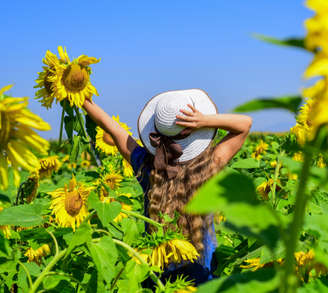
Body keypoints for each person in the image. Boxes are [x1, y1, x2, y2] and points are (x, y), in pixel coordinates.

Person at [82, 89, 252, 286]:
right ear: (196, 135)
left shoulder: (147, 167)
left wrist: (82, 101)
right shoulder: (208, 167)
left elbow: (115, 130)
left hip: (157, 276)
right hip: (202, 277)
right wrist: (203, 120)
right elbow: (244, 124)